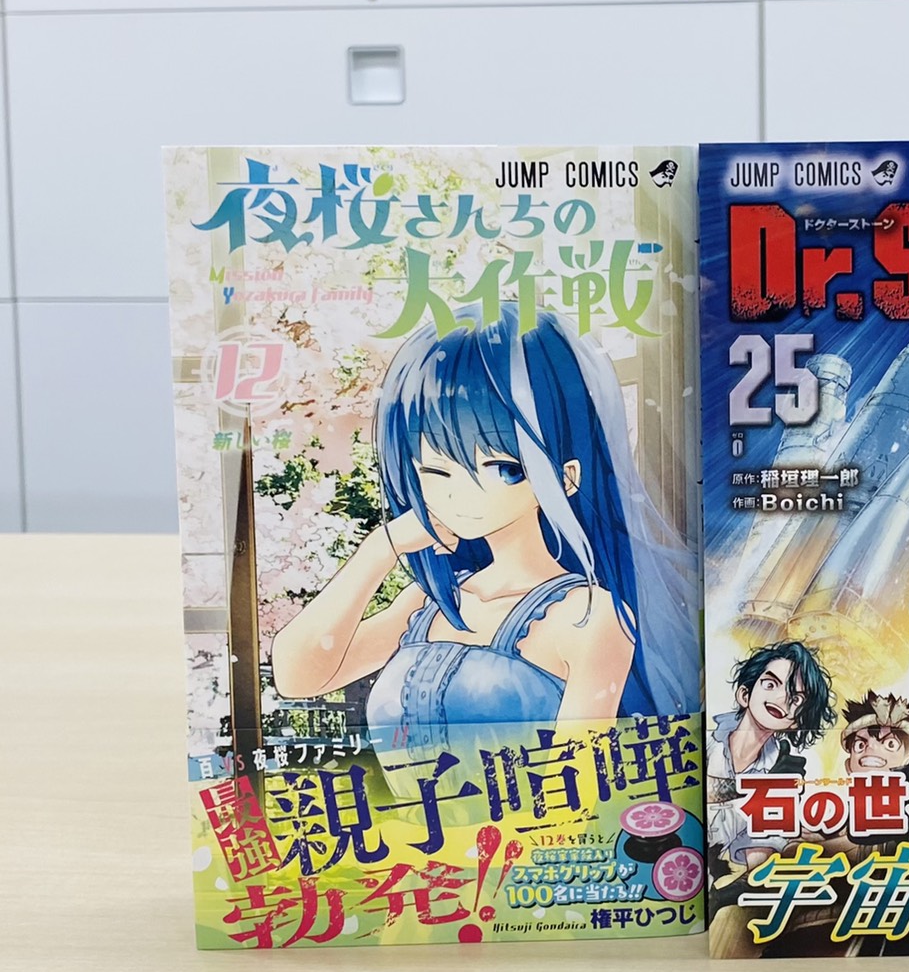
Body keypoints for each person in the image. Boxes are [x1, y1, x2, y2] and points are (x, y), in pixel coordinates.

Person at [269, 306, 700, 751]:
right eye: (435, 471)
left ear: (566, 477)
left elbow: (580, 774)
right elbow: (298, 678)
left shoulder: (588, 615)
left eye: (501, 468)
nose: (461, 493)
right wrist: (380, 548)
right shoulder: (431, 601)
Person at [706, 641, 834, 873]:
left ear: (797, 721)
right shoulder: (707, 740)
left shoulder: (781, 771)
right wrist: (758, 788)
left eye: (796, 698)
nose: (782, 699)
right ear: (744, 694)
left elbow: (760, 858)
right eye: (770, 684)